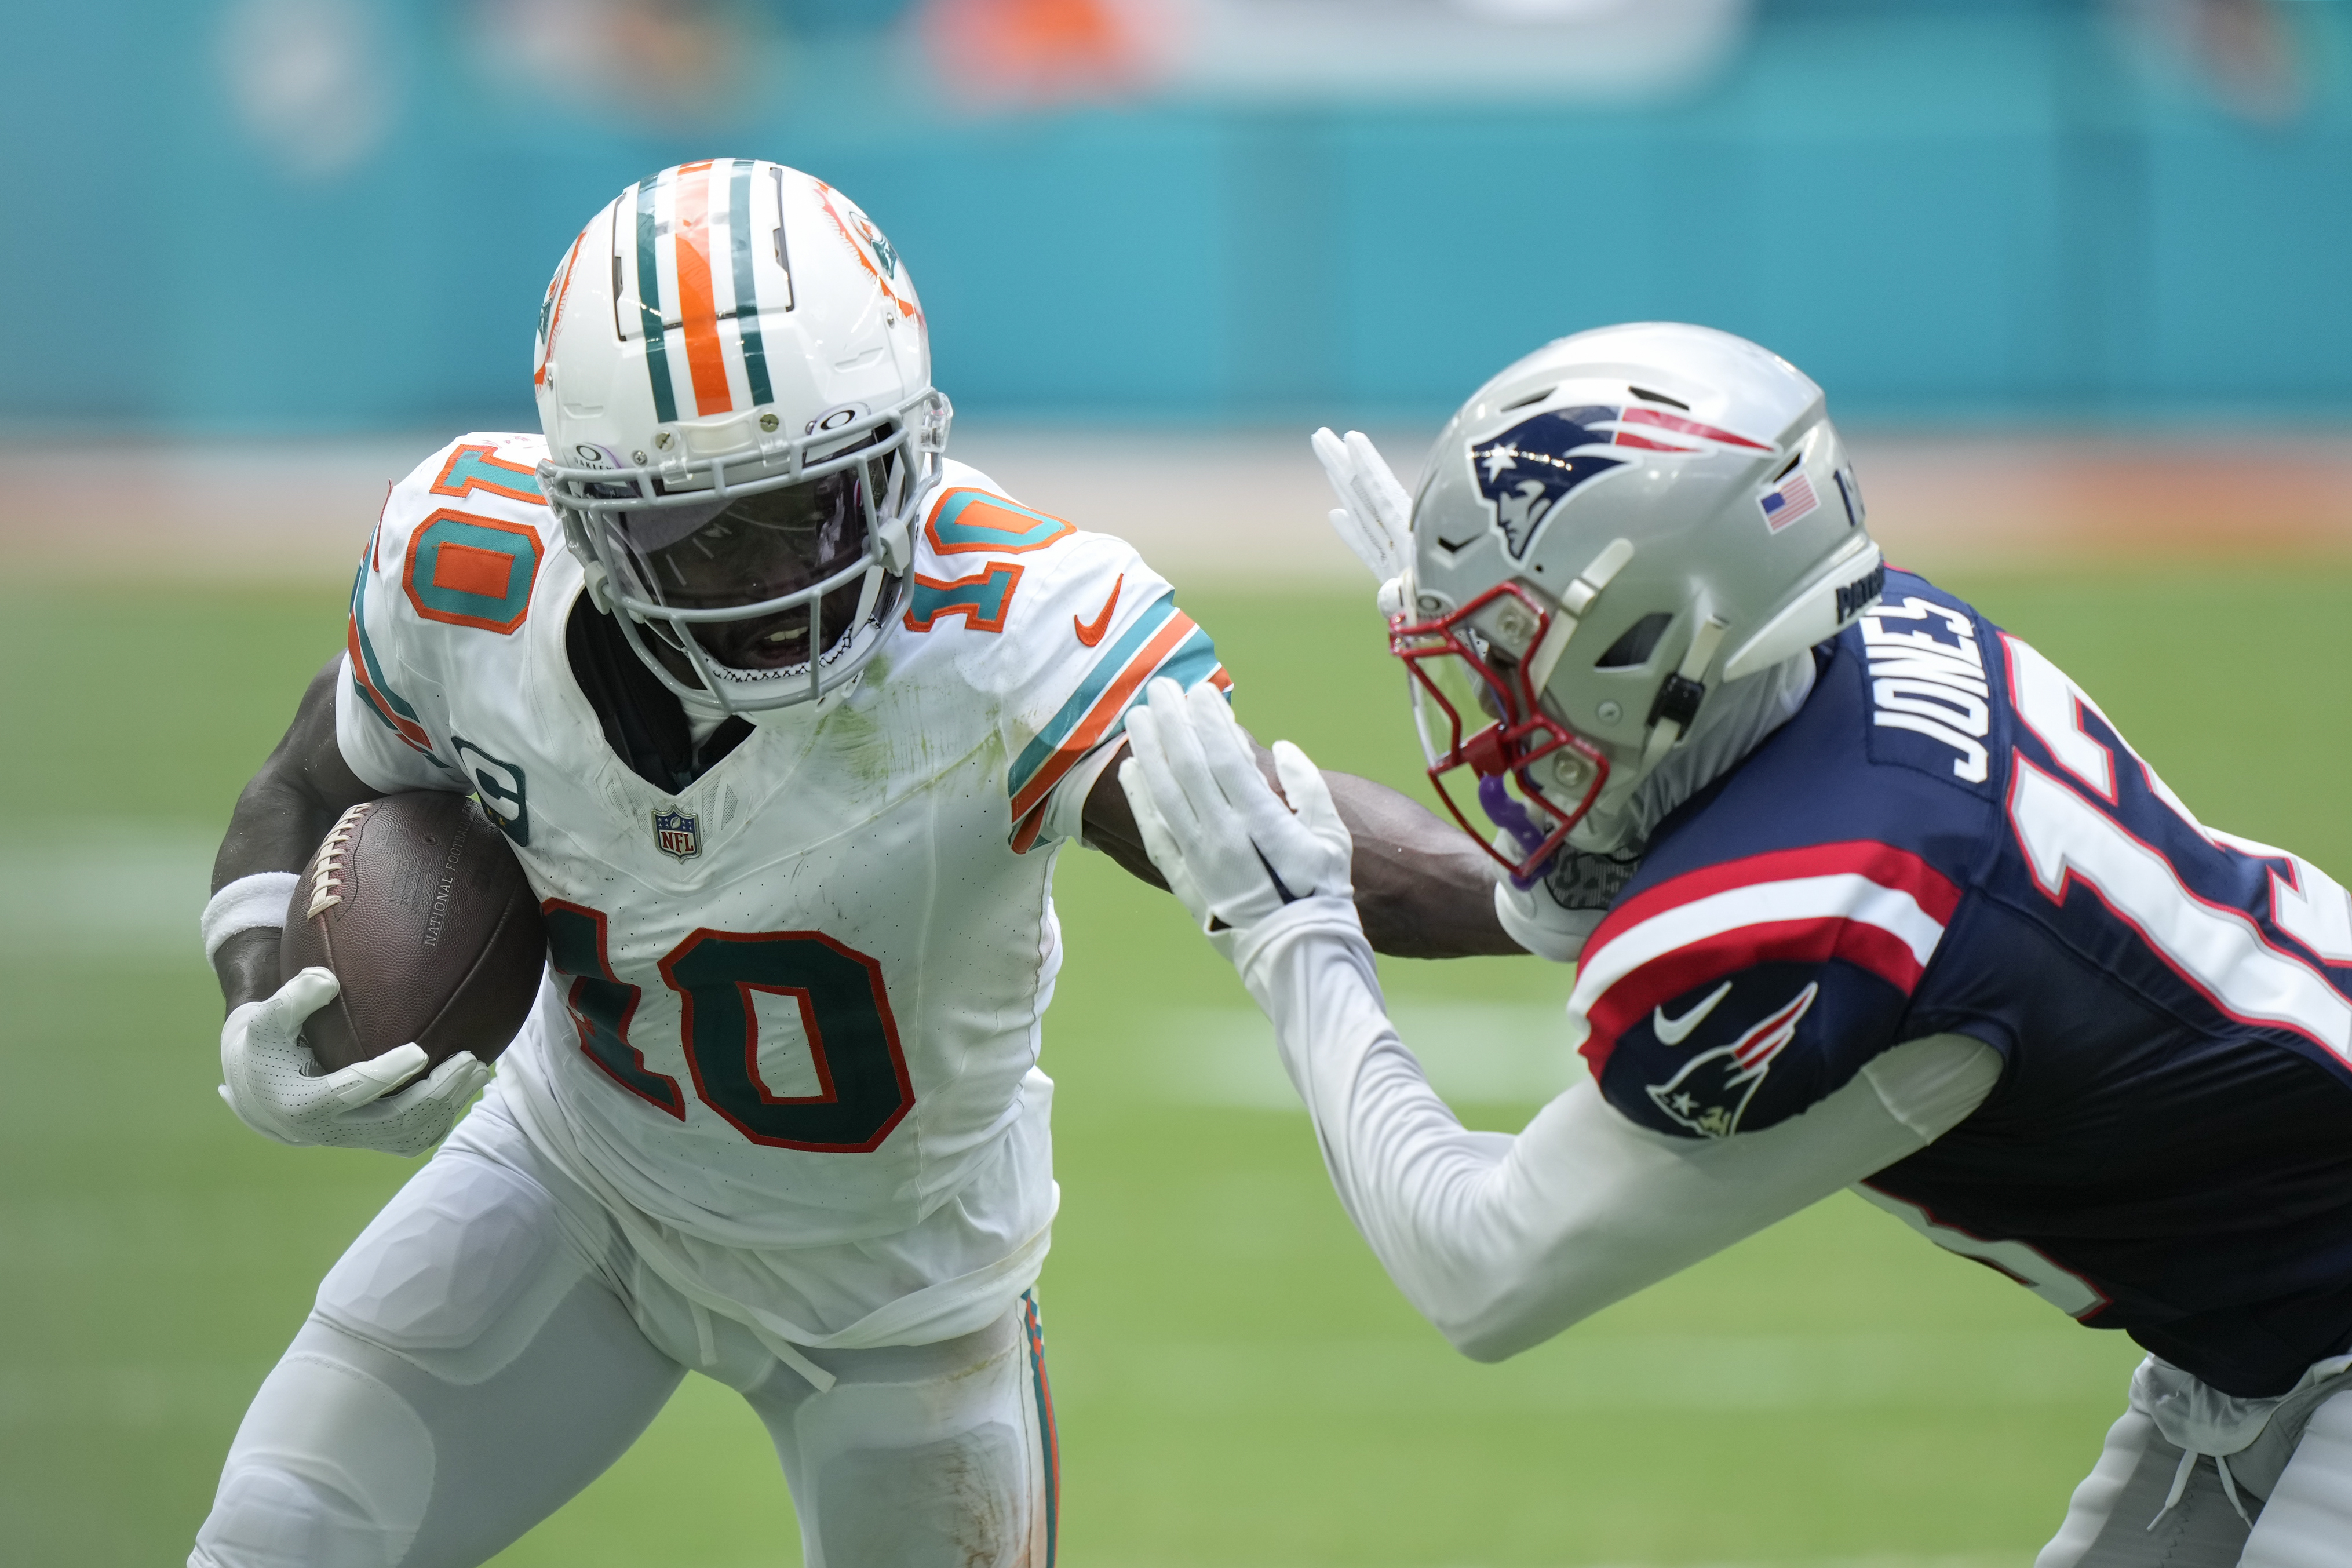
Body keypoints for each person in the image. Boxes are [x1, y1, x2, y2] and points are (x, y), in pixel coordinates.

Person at [190, 160, 1508, 1568]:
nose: (773, 579)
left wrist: (1544, 897)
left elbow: (1273, 831)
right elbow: (309, 780)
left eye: (817, 502)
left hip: (903, 1298)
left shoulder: (1010, 630)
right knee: (277, 1538)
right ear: (582, 517)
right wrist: (260, 986)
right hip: (572, 1183)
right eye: (692, 535)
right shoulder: (466, 569)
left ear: (908, 454)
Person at [1117, 321, 2352, 1567]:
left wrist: (1290, 939)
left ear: (1641, 646)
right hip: (2262, 1333)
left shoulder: (1828, 928)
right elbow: (1652, 858)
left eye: (1503, 653)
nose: (1485, 699)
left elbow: (1479, 1271)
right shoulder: (1836, 650)